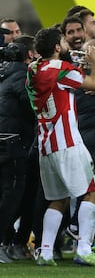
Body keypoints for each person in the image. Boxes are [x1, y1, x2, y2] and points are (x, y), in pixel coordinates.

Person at [25, 27, 95, 267]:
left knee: (58, 199)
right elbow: (94, 84)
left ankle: (46, 252)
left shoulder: (32, 70)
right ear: (57, 48)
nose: (66, 44)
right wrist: (94, 63)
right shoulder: (61, 69)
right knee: (94, 192)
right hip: (68, 143)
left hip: (46, 146)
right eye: (63, 40)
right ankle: (83, 248)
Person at [0, 39, 37, 263]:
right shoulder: (22, 77)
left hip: (6, 139)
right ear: (29, 55)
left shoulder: (4, 74)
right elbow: (34, 106)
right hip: (14, 143)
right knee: (12, 194)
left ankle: (9, 241)